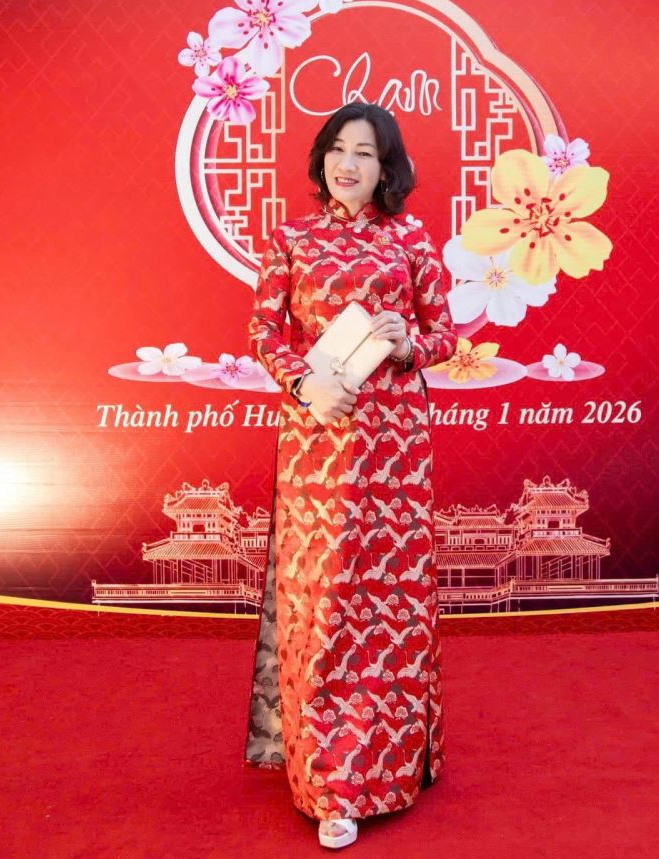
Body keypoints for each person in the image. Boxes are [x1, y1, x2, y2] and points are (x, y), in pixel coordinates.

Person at [243, 102, 458, 850]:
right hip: (319, 442)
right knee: (324, 601)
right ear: (322, 159)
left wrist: (407, 345)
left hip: (398, 447)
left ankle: (397, 766)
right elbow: (264, 330)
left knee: (394, 603)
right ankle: (330, 783)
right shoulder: (292, 239)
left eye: (365, 152)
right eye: (338, 149)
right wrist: (305, 385)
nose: (349, 163)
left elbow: (444, 334)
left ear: (387, 167)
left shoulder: (412, 239)